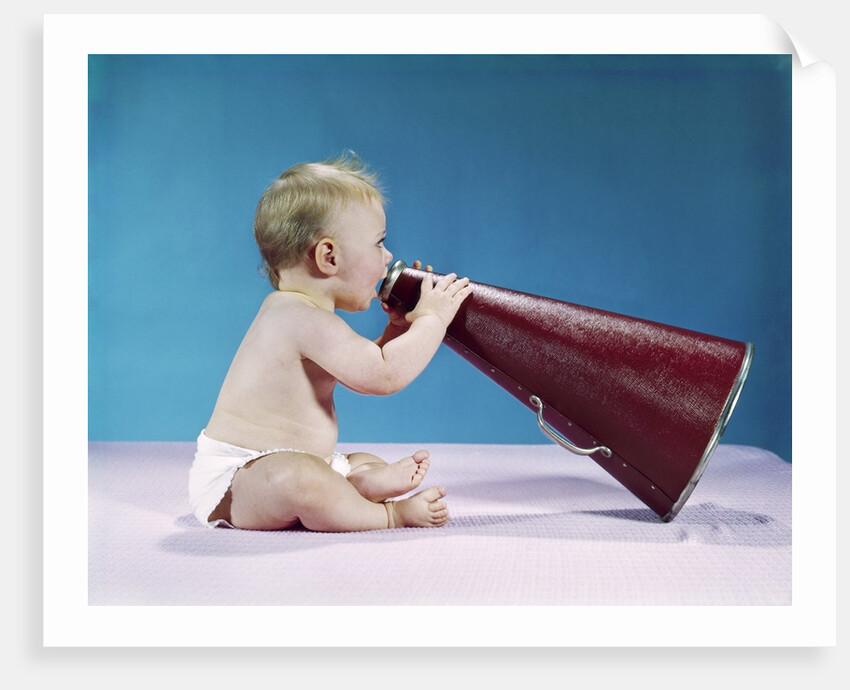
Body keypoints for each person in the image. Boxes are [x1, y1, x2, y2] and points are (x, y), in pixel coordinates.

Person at [188, 155, 473, 532]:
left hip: (301, 461)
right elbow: (383, 375)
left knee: (361, 461)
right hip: (237, 481)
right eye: (379, 243)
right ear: (329, 257)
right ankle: (387, 515)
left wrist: (397, 329)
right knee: (301, 478)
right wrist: (433, 318)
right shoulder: (299, 319)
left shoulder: (298, 314)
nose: (389, 257)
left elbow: (363, 365)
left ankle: (353, 486)